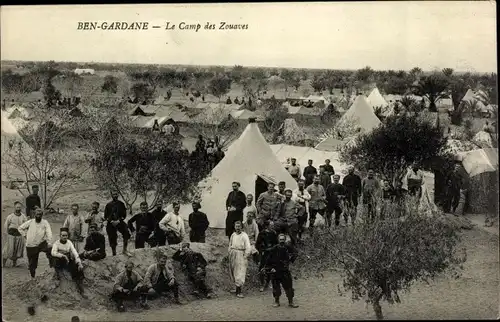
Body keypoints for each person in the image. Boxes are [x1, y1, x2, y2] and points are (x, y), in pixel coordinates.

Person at [264, 233, 299, 308]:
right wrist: (271, 268)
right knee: (276, 288)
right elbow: (268, 261)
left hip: (285, 271)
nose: (282, 241)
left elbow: (295, 253)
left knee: (289, 287)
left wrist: (290, 259)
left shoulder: (288, 247)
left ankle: (291, 302)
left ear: (285, 240)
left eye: (283, 240)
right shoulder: (274, 249)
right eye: (280, 240)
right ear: (278, 240)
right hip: (275, 271)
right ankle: (276, 301)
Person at [18, 208, 53, 278]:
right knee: (32, 264)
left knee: (51, 250)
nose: (38, 216)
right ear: (34, 215)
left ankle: (52, 266)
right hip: (31, 245)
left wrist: (49, 242)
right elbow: (20, 228)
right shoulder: (30, 222)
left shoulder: (45, 222)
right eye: (37, 214)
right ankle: (32, 277)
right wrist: (25, 235)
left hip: (41, 243)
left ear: (42, 215)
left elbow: (49, 232)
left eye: (40, 214)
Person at [51, 228, 86, 297]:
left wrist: (79, 263)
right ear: (60, 236)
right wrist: (62, 255)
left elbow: (75, 252)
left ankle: (81, 289)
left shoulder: (69, 242)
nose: (64, 237)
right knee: (55, 259)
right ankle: (58, 275)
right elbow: (53, 252)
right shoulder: (56, 243)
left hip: (68, 260)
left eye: (66, 235)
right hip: (60, 260)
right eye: (63, 235)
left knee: (77, 269)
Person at [228, 221, 252, 298]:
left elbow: (248, 246)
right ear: (234, 227)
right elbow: (230, 244)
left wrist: (245, 255)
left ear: (241, 227)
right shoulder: (233, 235)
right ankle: (236, 288)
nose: (238, 228)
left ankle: (239, 291)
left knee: (240, 272)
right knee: (233, 271)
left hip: (240, 254)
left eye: (239, 226)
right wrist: (230, 252)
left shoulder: (244, 235)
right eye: (236, 226)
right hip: (233, 253)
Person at [104, 191, 131, 256]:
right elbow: (106, 216)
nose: (115, 195)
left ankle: (125, 250)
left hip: (119, 221)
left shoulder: (121, 204)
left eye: (116, 194)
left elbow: (124, 215)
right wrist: (111, 221)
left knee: (126, 231)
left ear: (118, 195)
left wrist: (118, 221)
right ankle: (114, 253)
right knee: (112, 236)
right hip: (111, 223)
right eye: (113, 194)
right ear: (112, 195)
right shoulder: (108, 205)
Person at [2, 201, 28, 267]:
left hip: (19, 235)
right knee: (8, 250)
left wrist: (25, 234)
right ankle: (3, 264)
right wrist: (7, 234)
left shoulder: (23, 217)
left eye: (19, 207)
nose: (18, 209)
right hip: (11, 235)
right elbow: (6, 226)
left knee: (17, 250)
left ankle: (14, 264)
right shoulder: (10, 216)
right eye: (17, 207)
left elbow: (26, 226)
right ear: (14, 207)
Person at [256, 220, 278, 292]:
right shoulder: (262, 234)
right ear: (267, 226)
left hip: (271, 253)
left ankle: (268, 283)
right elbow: (258, 244)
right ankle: (262, 284)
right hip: (264, 253)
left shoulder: (274, 233)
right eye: (271, 225)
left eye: (273, 225)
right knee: (262, 269)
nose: (273, 227)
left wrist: (273, 250)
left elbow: (276, 244)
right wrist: (262, 250)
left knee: (270, 269)